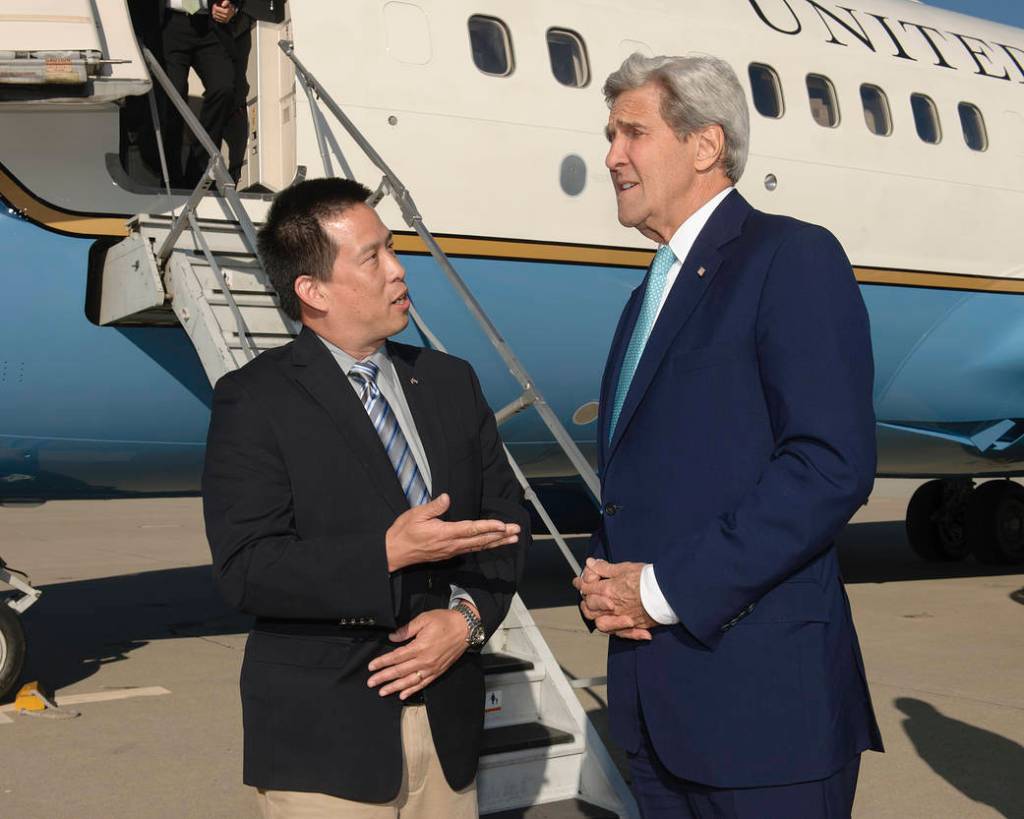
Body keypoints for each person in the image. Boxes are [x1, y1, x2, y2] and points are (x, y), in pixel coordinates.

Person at [573, 54, 883, 818]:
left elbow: (828, 466)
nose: (611, 154)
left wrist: (660, 588)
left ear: (705, 146)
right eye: (609, 134)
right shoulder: (650, 292)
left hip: (763, 716)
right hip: (656, 707)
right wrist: (609, 584)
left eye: (632, 132)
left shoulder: (790, 257)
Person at [202, 177, 529, 817]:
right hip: (326, 747)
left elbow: (507, 524)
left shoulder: (449, 381)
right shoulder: (255, 400)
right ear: (313, 291)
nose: (399, 270)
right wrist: (383, 553)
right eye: (372, 256)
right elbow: (246, 570)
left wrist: (465, 623)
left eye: (392, 249)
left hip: (447, 731)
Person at [160, 0, 244, 187]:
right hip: (168, 23)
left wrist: (233, 6)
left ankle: (198, 171)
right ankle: (170, 177)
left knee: (223, 88)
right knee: (173, 96)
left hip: (211, 24)